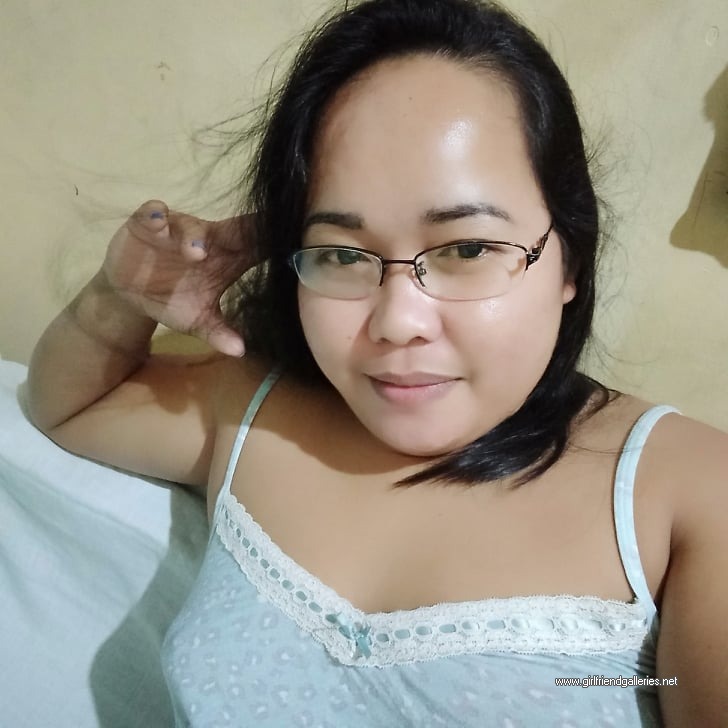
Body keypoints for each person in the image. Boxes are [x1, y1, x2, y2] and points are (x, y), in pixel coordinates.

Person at [26, 0, 728, 725]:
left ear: (569, 258)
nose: (397, 322)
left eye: (466, 249)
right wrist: (119, 296)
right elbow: (71, 407)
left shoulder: (691, 496)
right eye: (341, 254)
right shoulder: (258, 410)